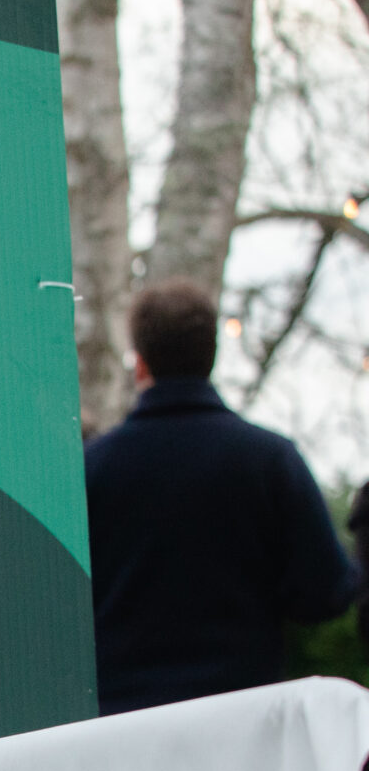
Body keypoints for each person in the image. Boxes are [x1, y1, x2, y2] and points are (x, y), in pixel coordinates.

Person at [85, 278, 359, 714]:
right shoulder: (271, 460)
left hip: (122, 722)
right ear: (211, 355)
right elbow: (324, 595)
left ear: (140, 363)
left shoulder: (92, 468)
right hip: (244, 718)